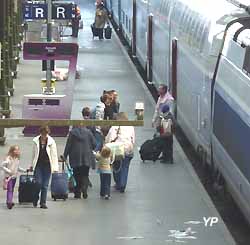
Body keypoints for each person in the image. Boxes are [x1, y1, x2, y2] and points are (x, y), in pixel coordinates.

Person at [63, 122, 96, 199]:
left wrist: (65, 155)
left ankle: (77, 192)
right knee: (85, 174)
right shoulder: (88, 132)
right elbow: (94, 144)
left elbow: (68, 145)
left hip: (75, 156)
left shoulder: (72, 133)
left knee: (76, 174)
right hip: (86, 156)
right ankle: (84, 189)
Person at [105, 112, 135, 193]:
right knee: (125, 168)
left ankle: (118, 183)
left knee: (116, 166)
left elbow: (109, 138)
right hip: (128, 149)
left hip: (117, 150)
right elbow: (133, 139)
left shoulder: (115, 127)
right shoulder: (130, 126)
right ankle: (123, 185)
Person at [31, 126, 59, 209]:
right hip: (38, 165)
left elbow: (54, 155)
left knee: (45, 185)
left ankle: (43, 203)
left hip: (47, 166)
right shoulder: (36, 141)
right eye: (43, 134)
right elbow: (33, 154)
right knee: (38, 183)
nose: (44, 136)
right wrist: (32, 165)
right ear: (40, 133)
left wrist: (55, 167)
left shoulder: (51, 142)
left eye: (46, 134)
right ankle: (35, 198)